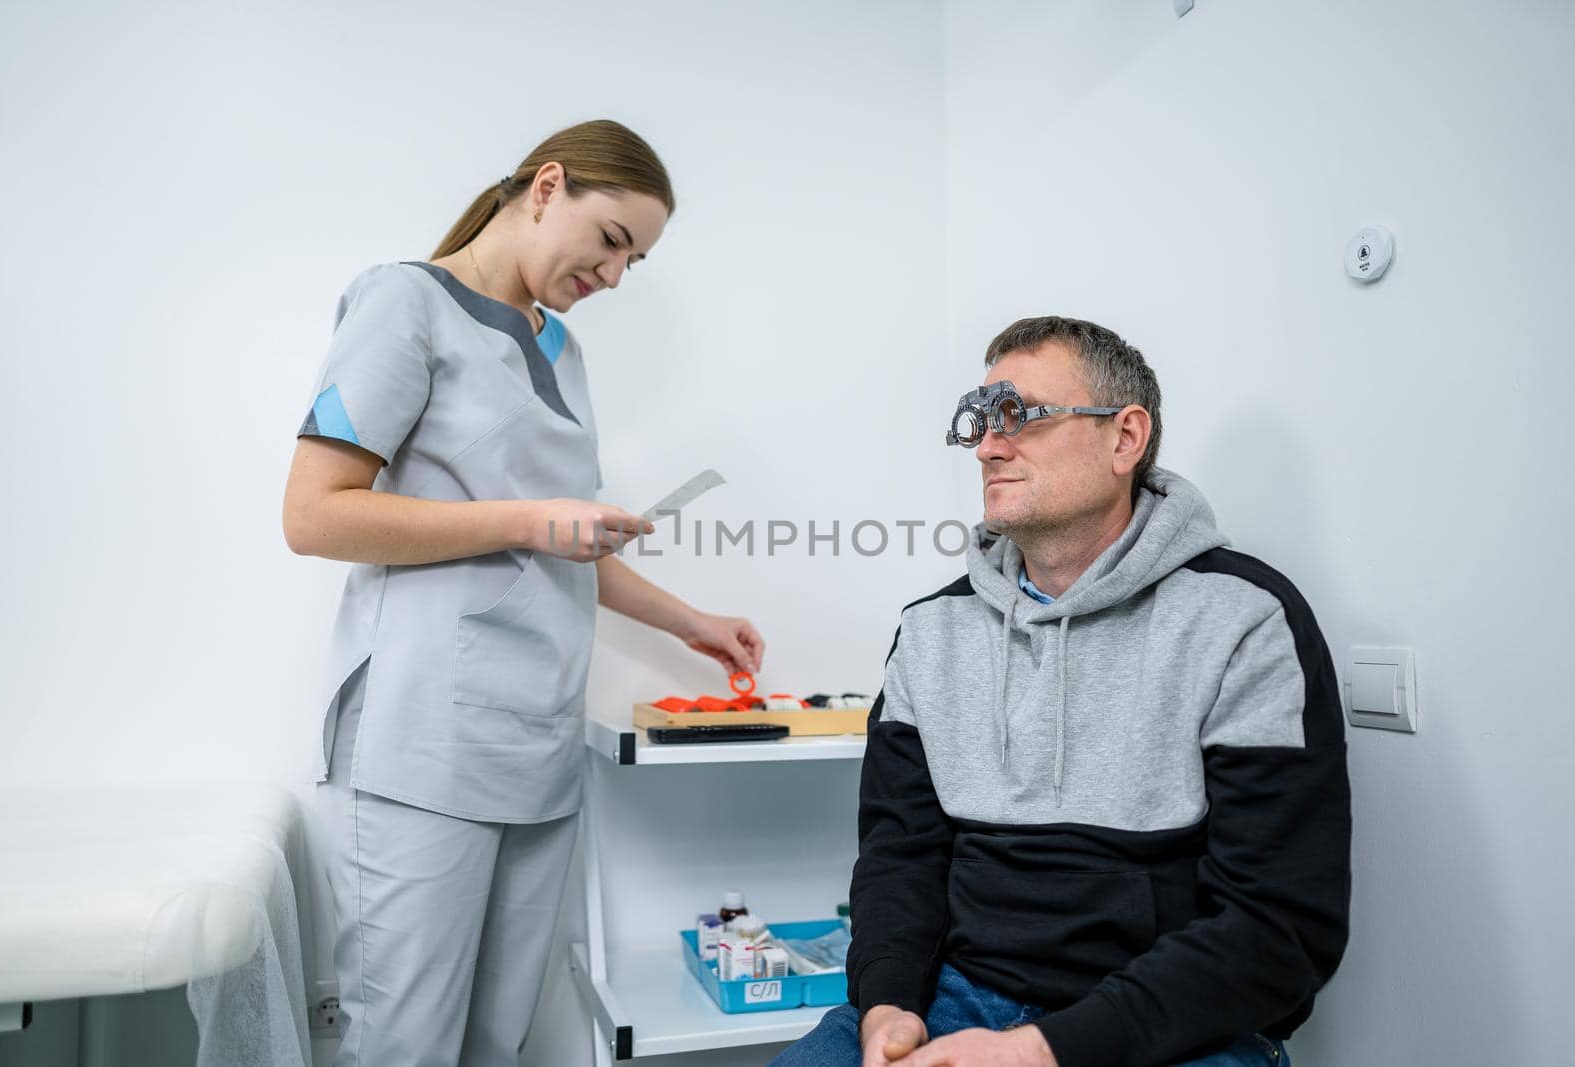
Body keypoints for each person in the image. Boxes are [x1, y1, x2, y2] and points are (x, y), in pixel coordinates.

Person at [282, 119, 764, 1067]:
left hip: (535, 742)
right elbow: (314, 515)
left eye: (637, 261)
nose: (616, 276)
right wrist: (529, 519)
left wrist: (693, 623)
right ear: (548, 186)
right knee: (405, 1045)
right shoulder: (404, 304)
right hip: (423, 745)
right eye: (614, 241)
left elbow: (565, 541)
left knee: (496, 1045)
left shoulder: (562, 348)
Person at [774, 317, 1350, 1067]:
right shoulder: (931, 631)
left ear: (1125, 438)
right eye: (980, 420)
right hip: (956, 996)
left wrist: (1040, 1050)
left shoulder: (1244, 621)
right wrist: (887, 1006)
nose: (987, 445)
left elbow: (1280, 928)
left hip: (1171, 1024)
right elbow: (899, 856)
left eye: (1021, 415)